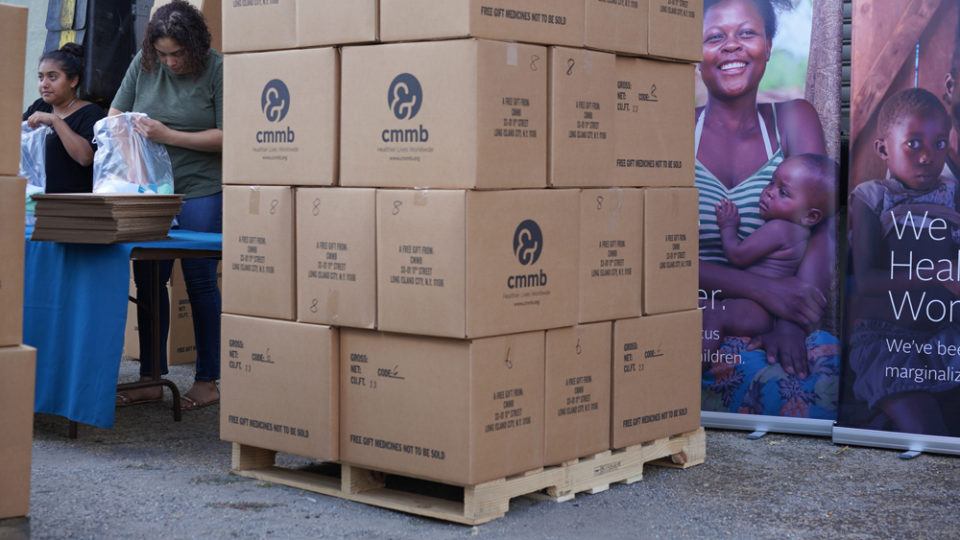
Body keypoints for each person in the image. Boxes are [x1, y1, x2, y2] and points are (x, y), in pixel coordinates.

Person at [696, 0, 839, 418]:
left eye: (746, 33)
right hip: (692, 318)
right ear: (693, 54)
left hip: (771, 324)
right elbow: (652, 257)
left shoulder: (793, 119)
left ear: (768, 45)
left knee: (823, 386)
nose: (732, 47)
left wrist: (790, 323)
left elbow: (824, 228)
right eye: (715, 37)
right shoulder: (672, 130)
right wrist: (764, 290)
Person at [111, 0, 223, 411]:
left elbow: (228, 136)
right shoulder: (144, 64)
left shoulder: (217, 69)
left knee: (200, 279)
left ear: (196, 45)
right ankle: (151, 378)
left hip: (200, 188)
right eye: (164, 54)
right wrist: (132, 151)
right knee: (149, 278)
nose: (171, 61)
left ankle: (208, 380)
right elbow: (116, 113)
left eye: (178, 53)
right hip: (151, 191)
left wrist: (167, 135)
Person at [848, 88, 960, 436]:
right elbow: (866, 280)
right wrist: (936, 275)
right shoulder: (872, 197)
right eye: (914, 144)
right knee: (927, 429)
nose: (928, 156)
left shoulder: (953, 195)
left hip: (948, 334)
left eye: (940, 143)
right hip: (888, 341)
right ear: (883, 148)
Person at [704, 154, 836, 356]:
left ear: (810, 216)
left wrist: (728, 226)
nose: (769, 193)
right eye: (771, 182)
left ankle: (694, 368)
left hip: (753, 307)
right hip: (766, 314)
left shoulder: (779, 229)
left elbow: (737, 255)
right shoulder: (801, 235)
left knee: (713, 316)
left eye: (783, 192)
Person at [21, 43, 105, 193]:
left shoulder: (91, 113)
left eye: (52, 77)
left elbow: (85, 158)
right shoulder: (39, 106)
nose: (44, 84)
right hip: (36, 200)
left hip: (71, 203)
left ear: (73, 81)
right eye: (41, 77)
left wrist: (55, 121)